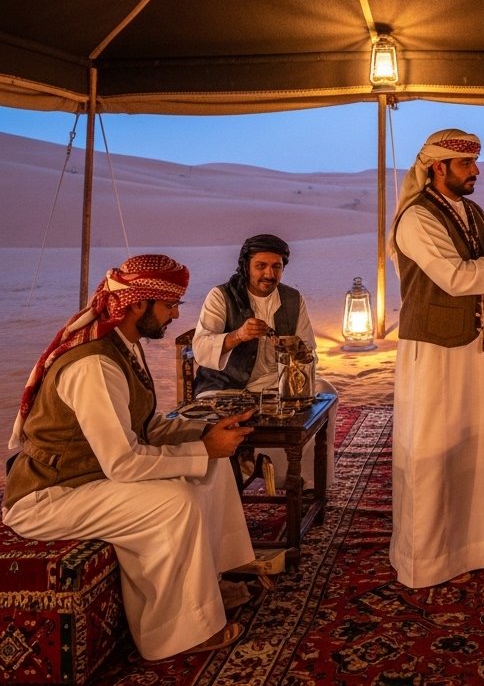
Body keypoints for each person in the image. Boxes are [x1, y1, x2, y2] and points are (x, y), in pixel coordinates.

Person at [2, 255, 257, 661]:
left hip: (92, 475)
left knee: (212, 468)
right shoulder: (95, 365)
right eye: (170, 304)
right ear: (138, 304)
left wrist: (205, 435)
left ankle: (210, 583)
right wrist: (201, 449)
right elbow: (123, 463)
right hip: (53, 493)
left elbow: (144, 428)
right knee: (177, 503)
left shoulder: (124, 347)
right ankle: (180, 632)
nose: (176, 314)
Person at [388, 129, 484, 589]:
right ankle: (427, 559)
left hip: (474, 349)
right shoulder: (416, 219)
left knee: (474, 443)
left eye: (476, 162)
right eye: (466, 165)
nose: (476, 171)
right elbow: (456, 278)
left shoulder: (471, 212)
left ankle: (477, 546)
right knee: (431, 449)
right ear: (439, 167)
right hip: (433, 353)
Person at [192, 233, 339, 485]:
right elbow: (201, 348)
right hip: (227, 387)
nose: (269, 274)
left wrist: (293, 352)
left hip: (276, 384)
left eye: (276, 267)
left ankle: (305, 481)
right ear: (246, 266)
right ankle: (261, 468)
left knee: (326, 392)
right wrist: (237, 335)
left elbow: (308, 350)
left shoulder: (292, 299)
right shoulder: (221, 296)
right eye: (261, 266)